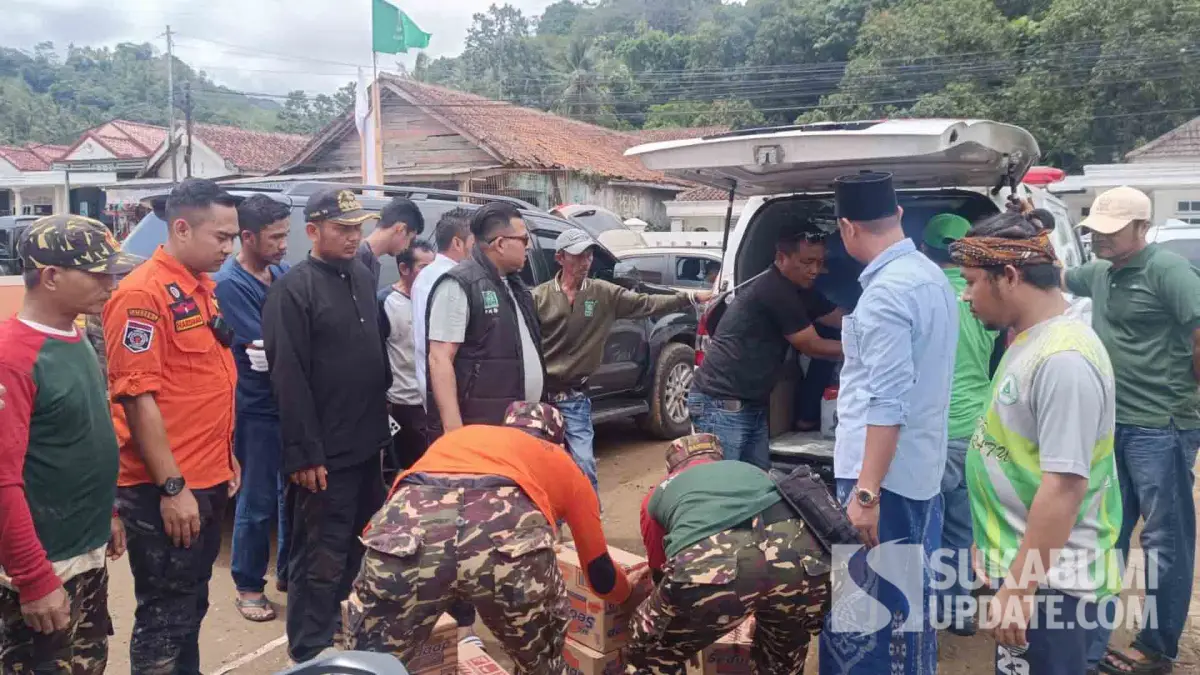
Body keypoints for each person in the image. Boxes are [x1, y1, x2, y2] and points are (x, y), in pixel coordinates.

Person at [344, 402, 650, 673]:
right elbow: (600, 575)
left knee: (369, 667)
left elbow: (397, 502)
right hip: (507, 539)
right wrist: (630, 592)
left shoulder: (459, 439)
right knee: (544, 668)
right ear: (558, 440)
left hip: (406, 532)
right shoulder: (563, 464)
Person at [952, 211, 1120, 674]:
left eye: (970, 283)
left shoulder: (1064, 359)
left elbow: (1065, 486)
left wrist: (1020, 588)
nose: (966, 296)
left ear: (1008, 276)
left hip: (1054, 583)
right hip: (1032, 572)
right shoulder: (1028, 340)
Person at [102, 178, 242, 675]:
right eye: (221, 236)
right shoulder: (142, 296)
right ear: (181, 227)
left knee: (191, 604)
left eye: (233, 237)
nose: (230, 247)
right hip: (164, 487)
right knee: (164, 615)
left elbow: (201, 385)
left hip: (204, 476)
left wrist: (226, 458)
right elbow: (138, 398)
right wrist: (172, 486)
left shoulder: (200, 289)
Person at [819, 172, 956, 675]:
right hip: (917, 474)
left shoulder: (885, 295)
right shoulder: (930, 277)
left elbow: (887, 403)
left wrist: (866, 494)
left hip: (883, 482)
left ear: (848, 228)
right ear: (897, 215)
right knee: (905, 609)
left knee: (860, 617)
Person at [1065, 186, 1200, 675]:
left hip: (1161, 426)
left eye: (1110, 231)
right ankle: (1093, 640)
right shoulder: (1102, 272)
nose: (1098, 238)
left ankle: (1157, 646)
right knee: (1107, 531)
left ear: (1141, 228)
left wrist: (1189, 401)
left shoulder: (1169, 271)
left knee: (1165, 539)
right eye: (1095, 230)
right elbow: (1055, 274)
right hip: (1112, 424)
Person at [0, 215, 140, 674]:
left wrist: (109, 513)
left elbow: (84, 435)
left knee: (86, 661)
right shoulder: (14, 358)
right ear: (51, 276)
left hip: (83, 551)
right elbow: (3, 481)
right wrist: (34, 578)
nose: (111, 282)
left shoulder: (76, 334)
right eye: (98, 272)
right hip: (43, 562)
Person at [262, 187, 391, 664]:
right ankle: (308, 651)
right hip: (324, 455)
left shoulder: (359, 274)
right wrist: (304, 453)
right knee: (319, 557)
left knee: (363, 550)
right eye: (342, 229)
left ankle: (346, 632)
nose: (352, 236)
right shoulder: (292, 289)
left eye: (357, 227)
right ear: (313, 231)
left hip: (366, 445)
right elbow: (288, 377)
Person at [627, 433, 829, 674]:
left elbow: (662, 572)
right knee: (781, 656)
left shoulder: (658, 492)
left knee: (647, 648)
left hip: (712, 566)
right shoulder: (756, 472)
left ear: (671, 467)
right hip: (807, 562)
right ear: (718, 458)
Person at [533, 228, 710, 493]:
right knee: (542, 465)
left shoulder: (603, 293)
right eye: (578, 256)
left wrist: (689, 297)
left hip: (574, 397)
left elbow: (646, 303)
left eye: (589, 255)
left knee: (583, 463)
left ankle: (590, 519)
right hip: (539, 397)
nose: (586, 261)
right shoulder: (538, 297)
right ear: (560, 258)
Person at [688, 230, 843, 468]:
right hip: (720, 405)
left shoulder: (802, 289)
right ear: (782, 258)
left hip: (750, 404)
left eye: (819, 263)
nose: (814, 270)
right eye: (807, 262)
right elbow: (812, 345)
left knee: (757, 484)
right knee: (723, 489)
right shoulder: (775, 290)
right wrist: (867, 350)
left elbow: (838, 318)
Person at [213, 194, 292, 622]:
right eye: (275, 236)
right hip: (256, 405)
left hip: (287, 401)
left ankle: (288, 574)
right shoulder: (230, 283)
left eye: (286, 235)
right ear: (248, 237)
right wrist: (292, 346)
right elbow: (262, 344)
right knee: (257, 499)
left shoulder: (278, 272)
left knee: (291, 493)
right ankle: (247, 584)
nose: (283, 244)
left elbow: (294, 333)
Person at [919, 212, 998, 636]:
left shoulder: (922, 294)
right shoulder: (984, 295)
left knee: (925, 521)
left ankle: (922, 608)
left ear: (924, 250)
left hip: (932, 430)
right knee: (962, 526)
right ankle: (959, 609)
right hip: (975, 426)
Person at [426, 201, 544, 436]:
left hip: (518, 425)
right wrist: (454, 432)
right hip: (481, 429)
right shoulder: (460, 284)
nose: (528, 248)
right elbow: (440, 359)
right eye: (523, 240)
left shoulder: (514, 285)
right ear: (500, 244)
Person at [379, 240, 437, 471]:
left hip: (433, 401)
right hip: (403, 404)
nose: (429, 274)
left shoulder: (437, 297)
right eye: (423, 267)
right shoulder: (385, 303)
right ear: (404, 269)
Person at [411, 208, 474, 417]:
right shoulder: (452, 279)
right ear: (458, 243)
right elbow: (442, 353)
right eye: (476, 240)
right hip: (450, 393)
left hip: (430, 387)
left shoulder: (427, 274)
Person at [356, 197, 424, 287]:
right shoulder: (356, 259)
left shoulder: (370, 260)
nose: (407, 247)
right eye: (410, 239)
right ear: (401, 229)